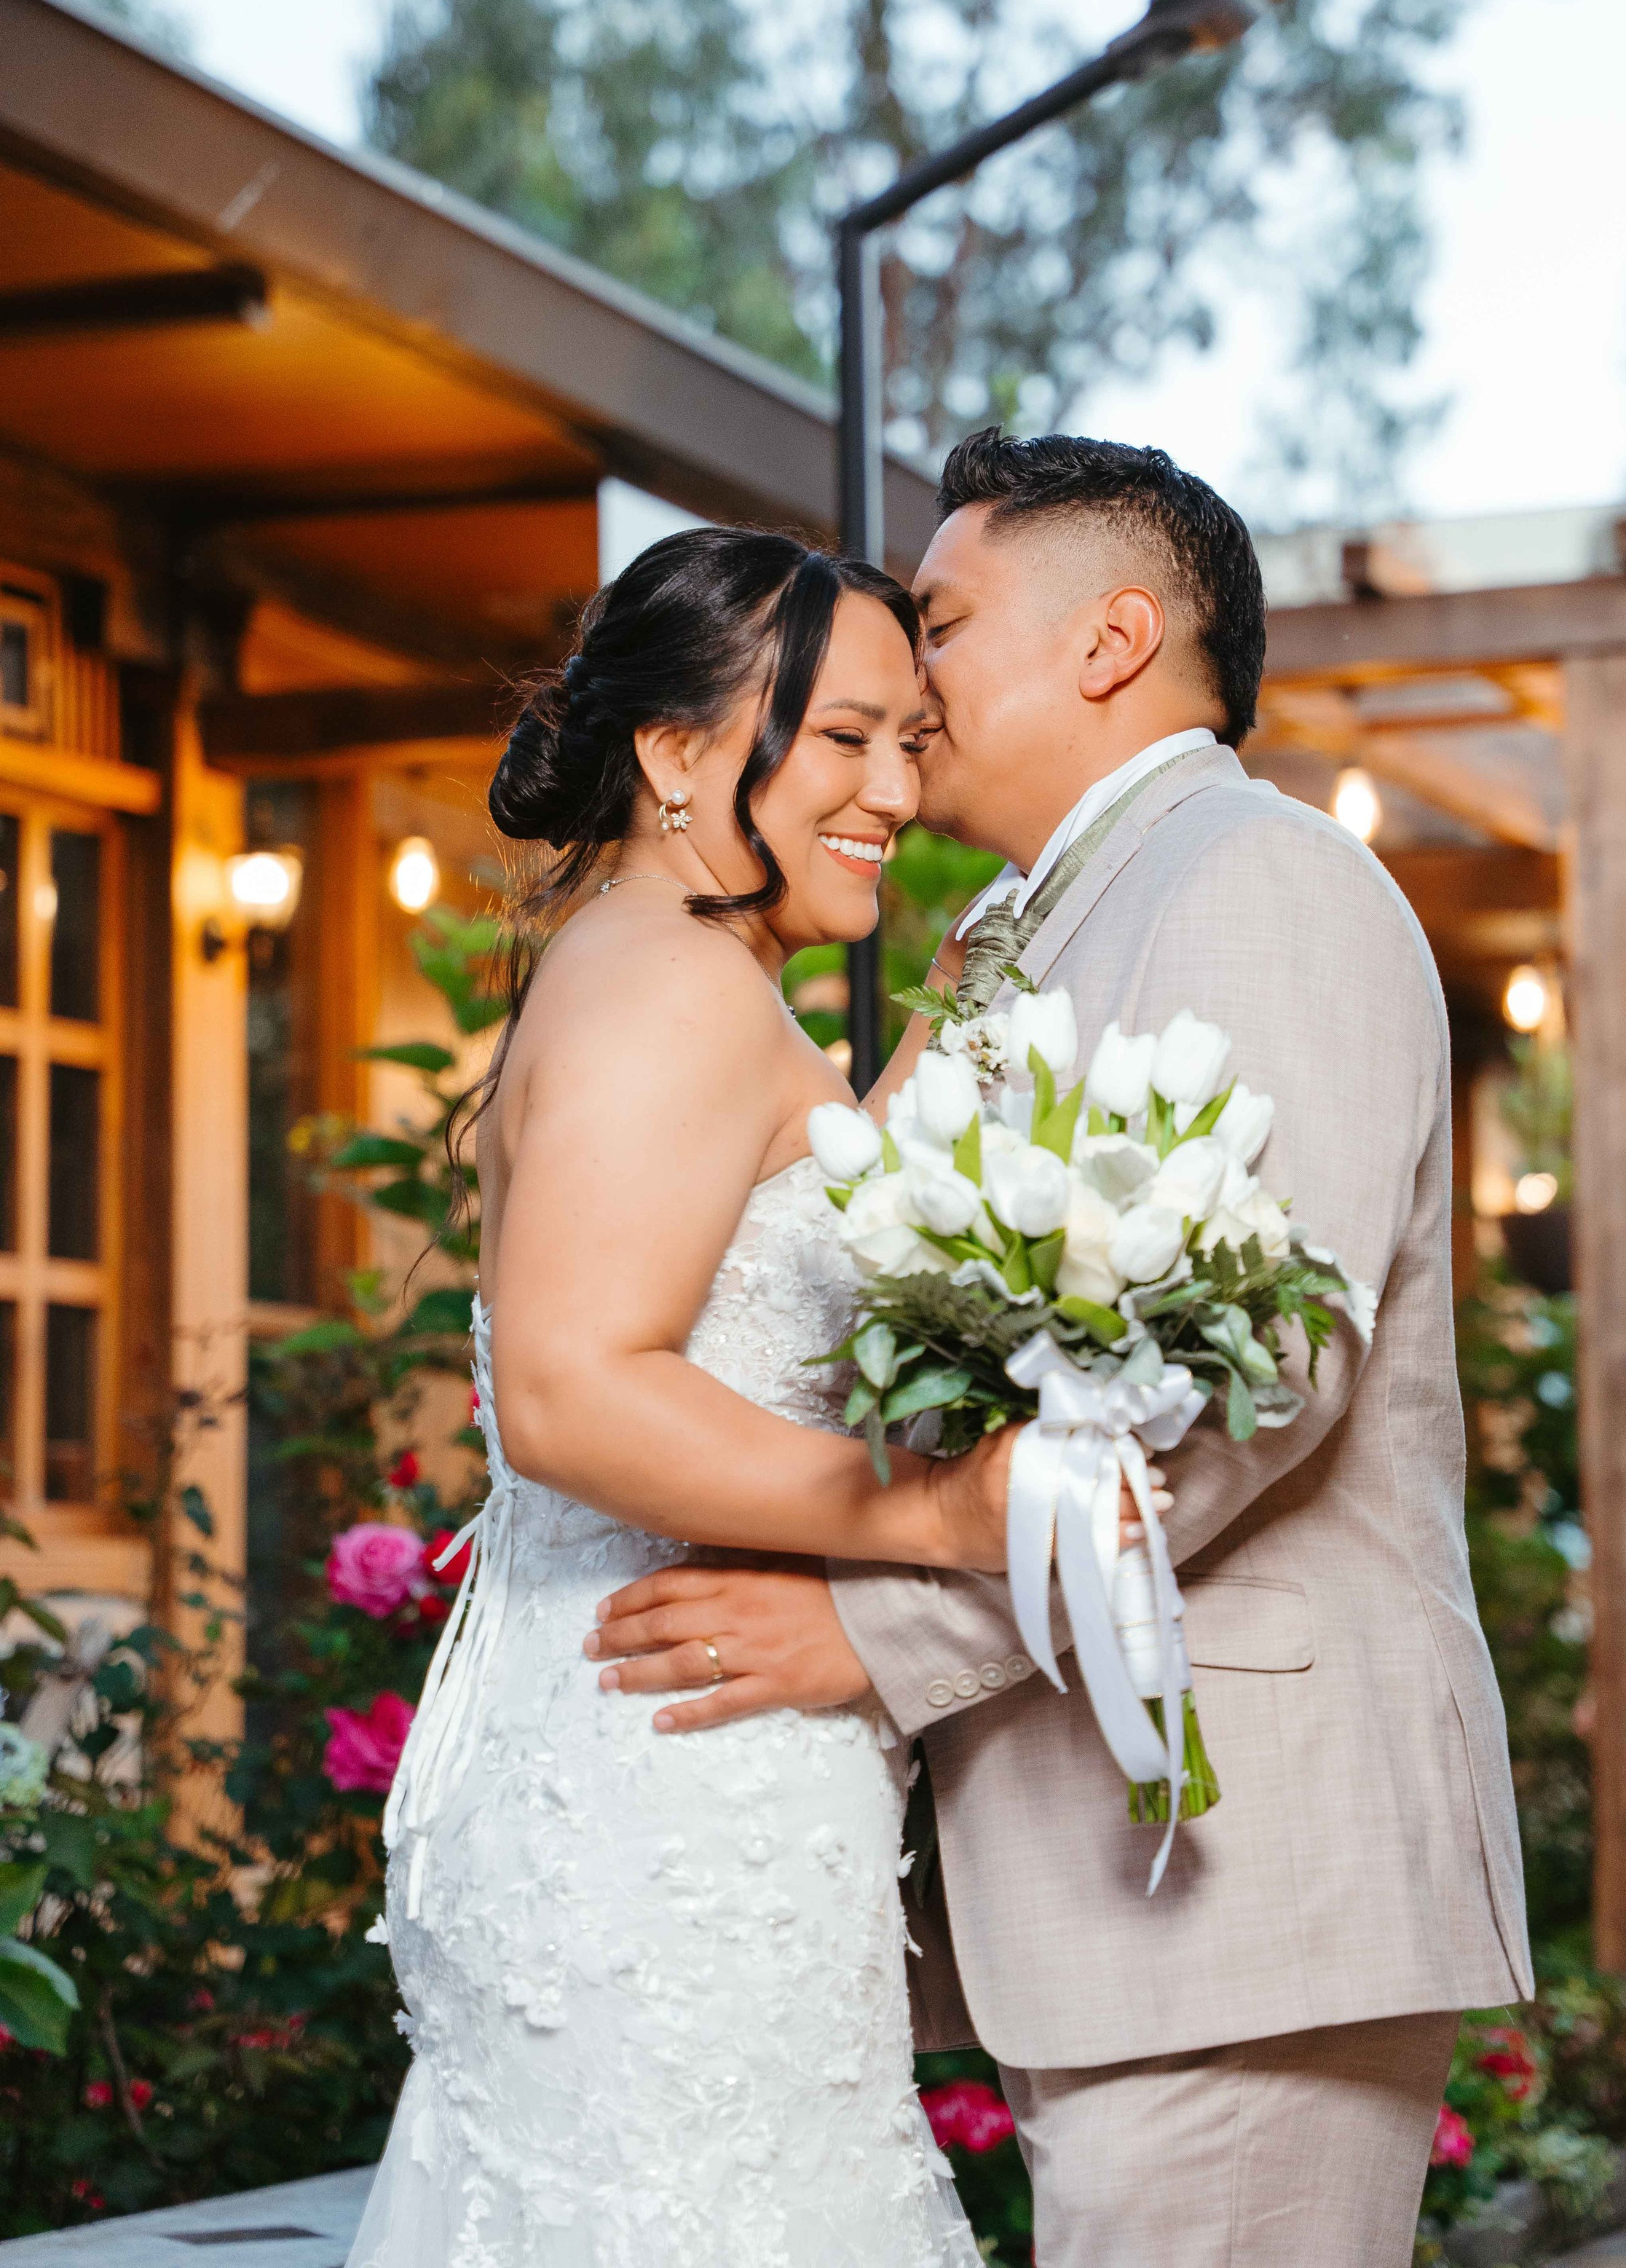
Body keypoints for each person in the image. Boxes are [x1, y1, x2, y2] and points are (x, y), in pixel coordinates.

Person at [586, 433, 1533, 2268]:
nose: (901, 675)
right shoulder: (1020, 928)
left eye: (937, 619)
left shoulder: (1261, 881)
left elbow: (1251, 1384)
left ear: (1109, 641)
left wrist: (869, 1633)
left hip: (1243, 1861)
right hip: (1106, 1875)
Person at [347, 527, 996, 2268]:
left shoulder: (684, 978)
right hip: (666, 1799)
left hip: (676, 1758)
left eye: (910, 743)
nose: (896, 789)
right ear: (677, 753)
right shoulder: (664, 981)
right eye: (847, 736)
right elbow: (569, 1390)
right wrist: (934, 1519)